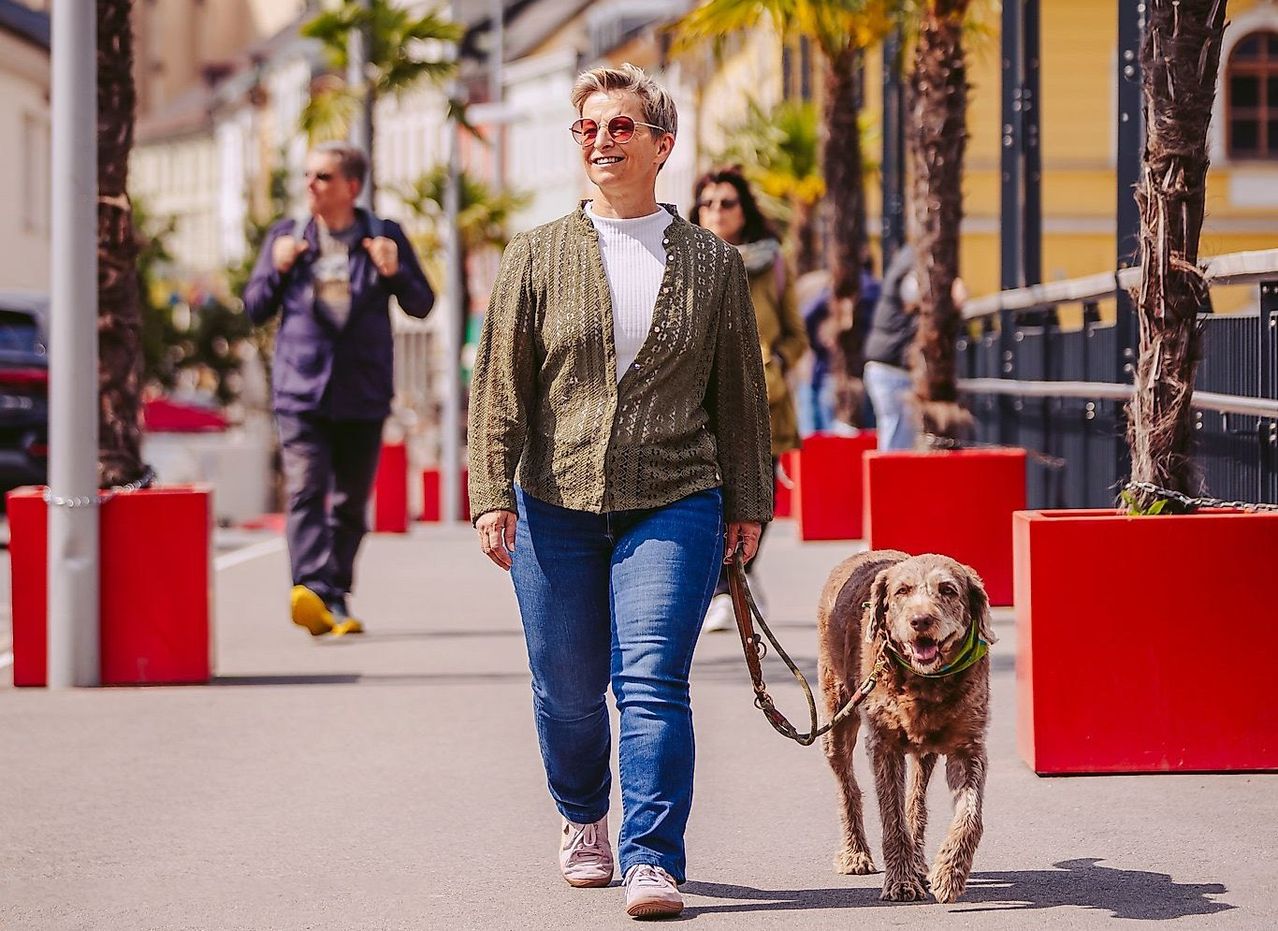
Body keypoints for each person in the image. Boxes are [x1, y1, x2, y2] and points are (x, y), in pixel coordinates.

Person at [467, 64, 772, 920]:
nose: (601, 141)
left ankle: (652, 856)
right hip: (554, 499)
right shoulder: (535, 254)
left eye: (620, 127)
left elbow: (740, 395)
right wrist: (492, 490)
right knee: (567, 684)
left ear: (661, 145)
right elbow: (499, 386)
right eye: (588, 128)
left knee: (650, 679)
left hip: (674, 495)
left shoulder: (713, 264)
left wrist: (749, 503)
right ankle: (581, 814)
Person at [243, 142, 434, 638]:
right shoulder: (287, 237)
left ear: (351, 187)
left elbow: (422, 304)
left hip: (363, 391)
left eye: (322, 177)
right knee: (307, 488)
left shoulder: (383, 236)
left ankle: (333, 592)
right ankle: (309, 587)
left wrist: (396, 270)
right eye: (307, 176)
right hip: (300, 390)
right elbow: (254, 307)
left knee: (350, 501)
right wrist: (277, 268)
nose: (310, 185)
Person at [689, 167, 806, 632]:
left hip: (766, 400)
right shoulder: (684, 260)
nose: (717, 211)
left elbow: (798, 334)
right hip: (703, 399)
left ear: (745, 210)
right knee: (710, 490)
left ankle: (742, 576)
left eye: (727, 203)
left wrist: (774, 362)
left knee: (761, 494)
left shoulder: (772, 263)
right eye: (708, 203)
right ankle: (722, 586)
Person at [863, 243, 920, 450]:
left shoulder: (902, 265)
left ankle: (887, 480)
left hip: (883, 366)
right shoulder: (911, 270)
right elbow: (914, 297)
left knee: (892, 431)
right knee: (897, 439)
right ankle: (890, 482)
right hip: (892, 369)